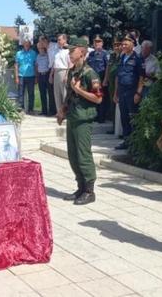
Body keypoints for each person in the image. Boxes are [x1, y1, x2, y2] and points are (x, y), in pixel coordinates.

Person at [57, 37, 103, 205]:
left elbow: (98, 99)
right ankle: (80, 188)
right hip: (73, 117)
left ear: (82, 52)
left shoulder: (90, 73)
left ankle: (90, 191)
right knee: (73, 155)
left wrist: (79, 90)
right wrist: (62, 110)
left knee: (83, 155)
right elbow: (69, 95)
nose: (69, 53)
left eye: (72, 50)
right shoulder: (72, 71)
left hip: (84, 119)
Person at [114, 34, 143, 150]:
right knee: (124, 117)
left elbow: (141, 77)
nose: (123, 46)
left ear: (133, 44)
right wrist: (115, 93)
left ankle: (134, 144)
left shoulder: (137, 59)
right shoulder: (122, 57)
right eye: (123, 44)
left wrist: (138, 93)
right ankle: (126, 141)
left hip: (132, 92)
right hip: (122, 91)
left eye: (126, 44)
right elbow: (118, 76)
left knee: (132, 117)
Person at [87, 35, 110, 123]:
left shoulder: (105, 54)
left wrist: (105, 79)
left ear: (102, 43)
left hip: (101, 79)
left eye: (99, 41)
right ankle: (95, 116)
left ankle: (101, 117)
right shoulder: (91, 54)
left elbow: (108, 67)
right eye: (95, 42)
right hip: (93, 80)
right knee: (93, 97)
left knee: (101, 98)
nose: (97, 43)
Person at [14, 39, 37, 114]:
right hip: (21, 76)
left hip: (31, 76)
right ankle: (21, 108)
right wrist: (16, 77)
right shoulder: (19, 53)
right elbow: (16, 65)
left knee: (31, 93)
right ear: (23, 44)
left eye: (28, 43)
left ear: (30, 44)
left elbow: (35, 65)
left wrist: (36, 77)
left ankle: (30, 109)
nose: (26, 44)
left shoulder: (33, 53)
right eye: (25, 43)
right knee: (20, 93)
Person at [50, 34, 70, 114]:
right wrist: (51, 75)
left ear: (65, 40)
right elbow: (54, 64)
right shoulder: (57, 51)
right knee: (57, 93)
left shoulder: (68, 51)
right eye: (58, 40)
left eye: (60, 39)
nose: (58, 41)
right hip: (56, 72)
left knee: (64, 93)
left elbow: (69, 64)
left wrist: (67, 75)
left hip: (63, 71)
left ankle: (66, 112)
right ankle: (59, 112)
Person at [137, 40, 160, 104]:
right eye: (143, 48)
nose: (144, 51)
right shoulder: (135, 57)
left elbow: (158, 75)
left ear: (150, 50)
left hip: (147, 86)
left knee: (145, 104)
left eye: (147, 49)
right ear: (141, 48)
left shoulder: (154, 60)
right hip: (136, 85)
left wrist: (151, 75)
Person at [36, 37, 52, 116]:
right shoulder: (38, 56)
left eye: (41, 48)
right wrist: (37, 77)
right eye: (39, 48)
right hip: (40, 76)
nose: (40, 49)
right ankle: (44, 110)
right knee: (42, 94)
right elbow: (36, 66)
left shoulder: (48, 55)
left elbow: (50, 65)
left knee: (50, 93)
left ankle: (51, 110)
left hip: (47, 75)